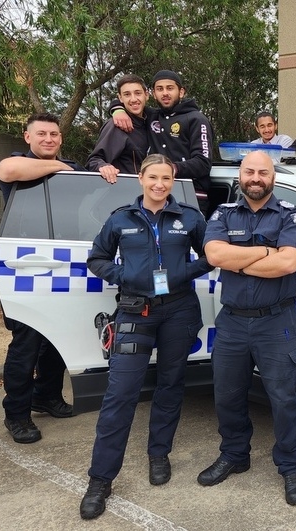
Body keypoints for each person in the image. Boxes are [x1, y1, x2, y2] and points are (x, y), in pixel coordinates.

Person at [80, 154, 211, 519]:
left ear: (173, 180)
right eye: (153, 177)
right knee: (120, 393)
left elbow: (211, 255)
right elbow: (97, 258)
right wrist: (124, 276)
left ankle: (159, 454)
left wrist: (184, 272)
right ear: (140, 178)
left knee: (170, 385)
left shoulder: (189, 217)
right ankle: (100, 480)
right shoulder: (121, 218)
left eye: (166, 178)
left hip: (180, 310)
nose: (159, 184)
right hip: (136, 311)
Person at [199, 150, 296, 506]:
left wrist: (241, 259)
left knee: (286, 398)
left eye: (263, 172)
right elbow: (216, 256)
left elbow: (290, 261)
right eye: (249, 171)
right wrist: (266, 252)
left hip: (276, 321)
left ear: (273, 177)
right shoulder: (222, 213)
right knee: (227, 395)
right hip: (232, 322)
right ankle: (234, 454)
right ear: (240, 176)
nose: (256, 178)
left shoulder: (291, 214)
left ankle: (292, 466)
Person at [0, 112, 84, 444]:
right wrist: (60, 167)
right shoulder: (19, 162)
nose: (49, 139)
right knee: (26, 345)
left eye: (55, 134)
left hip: (64, 263)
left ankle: (45, 396)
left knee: (58, 339)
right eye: (42, 134)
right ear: (27, 137)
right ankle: (16, 415)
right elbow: (7, 171)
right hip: (24, 267)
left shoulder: (74, 168)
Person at [111, 70, 214, 214]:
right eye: (160, 89)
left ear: (181, 92)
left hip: (190, 195)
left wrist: (170, 169)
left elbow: (203, 162)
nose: (165, 93)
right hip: (155, 195)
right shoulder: (151, 116)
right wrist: (117, 110)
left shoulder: (197, 119)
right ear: (153, 93)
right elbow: (129, 101)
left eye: (170, 88)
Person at [86, 74, 149, 182]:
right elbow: (94, 160)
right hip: (126, 191)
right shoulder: (116, 126)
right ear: (120, 98)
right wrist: (103, 166)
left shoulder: (154, 121)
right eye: (127, 94)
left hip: (157, 192)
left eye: (138, 93)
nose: (133, 99)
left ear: (146, 95)